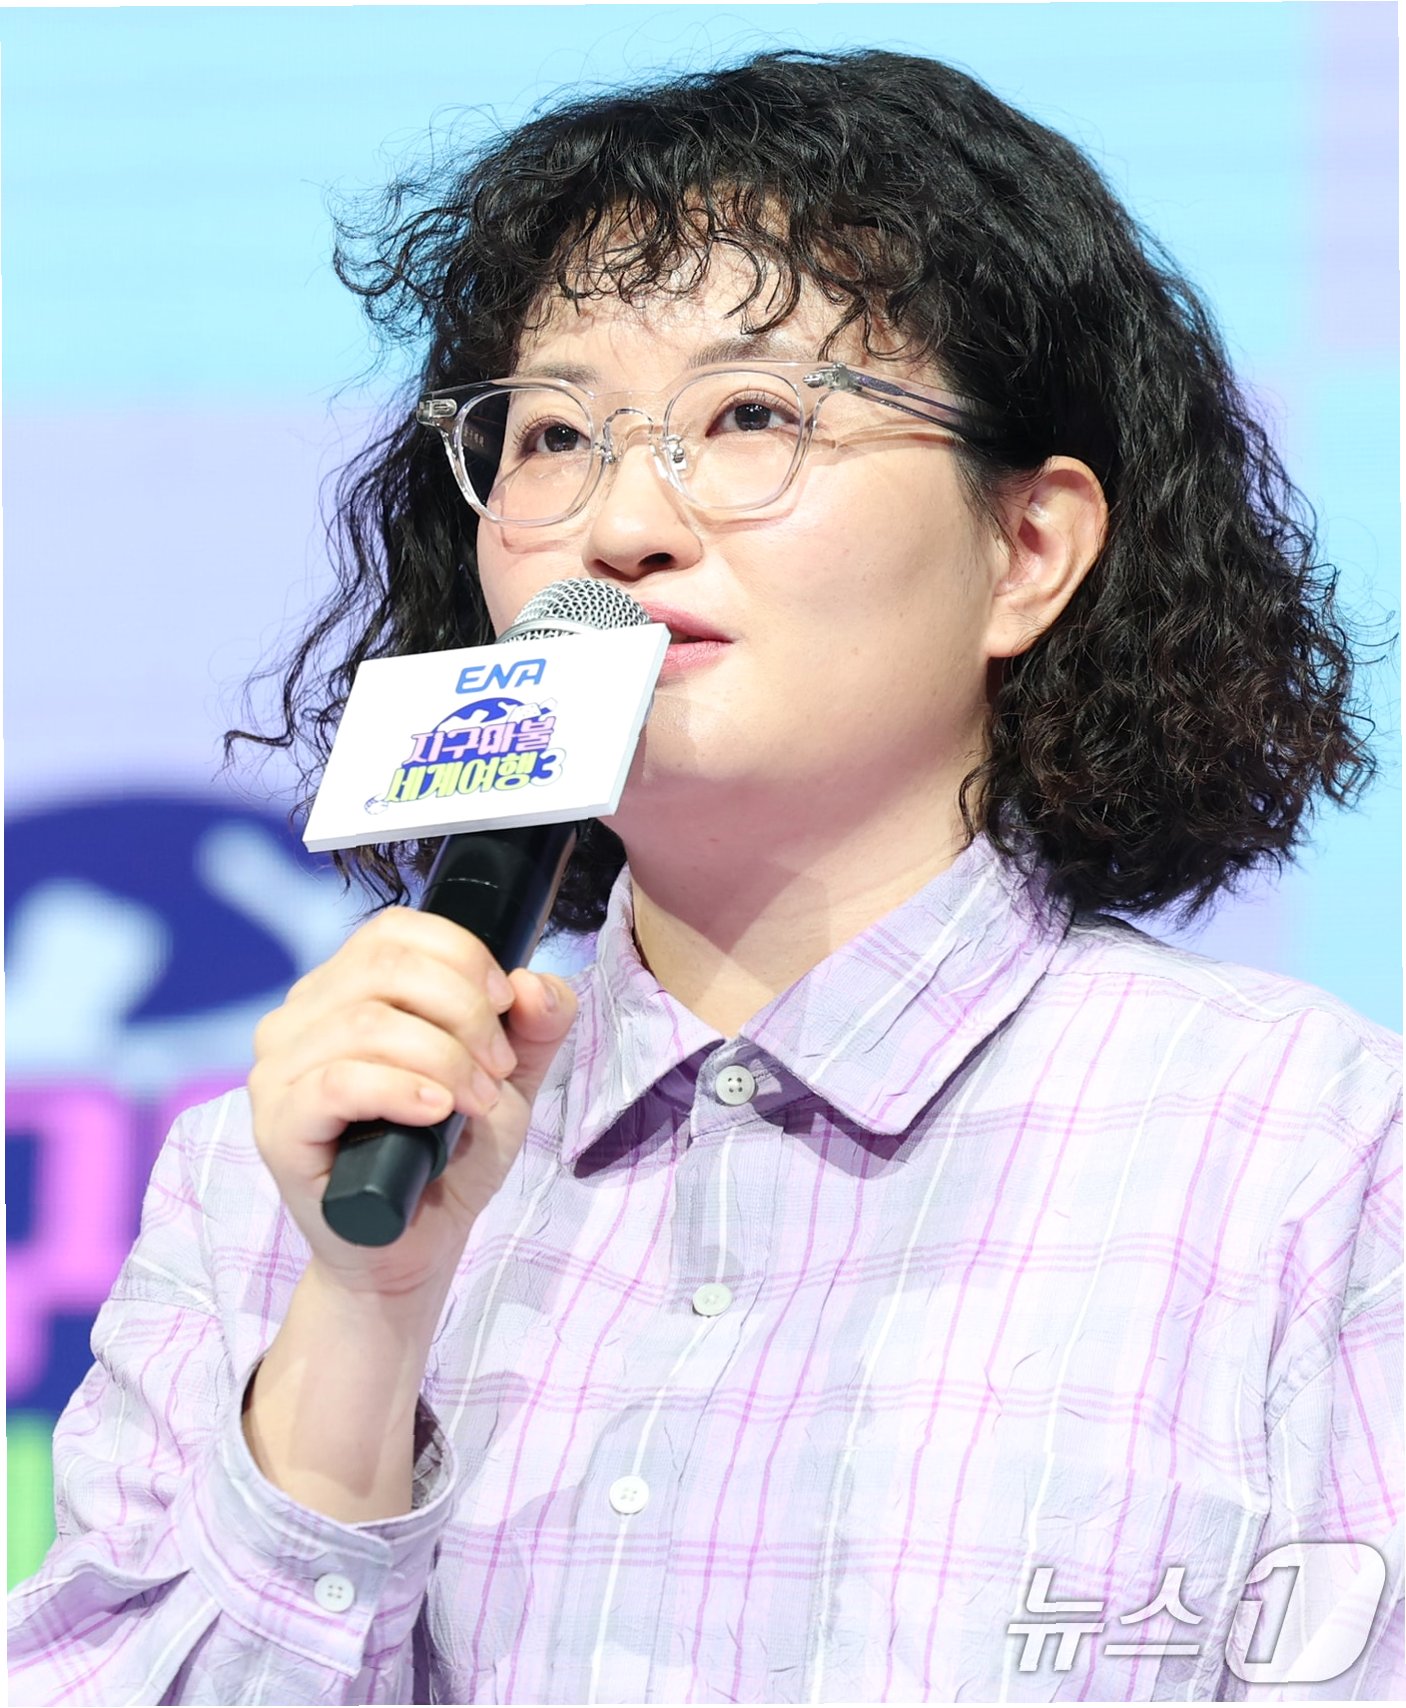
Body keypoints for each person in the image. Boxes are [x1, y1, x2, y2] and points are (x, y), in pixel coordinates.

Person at [9, 47, 1401, 1706]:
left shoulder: (1303, 1154)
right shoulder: (278, 1176)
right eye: (553, 434)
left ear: (1026, 549)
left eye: (751, 415)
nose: (620, 526)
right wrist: (366, 1315)